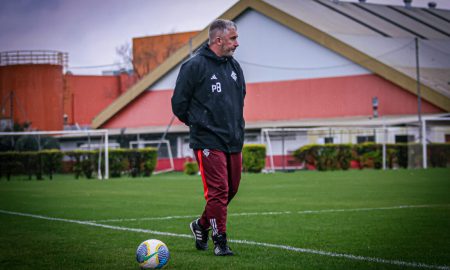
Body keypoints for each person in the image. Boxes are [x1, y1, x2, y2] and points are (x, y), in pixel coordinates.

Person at [171, 19, 246, 256]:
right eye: (233, 38)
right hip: (207, 140)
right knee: (218, 191)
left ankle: (200, 225)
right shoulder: (194, 66)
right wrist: (199, 125)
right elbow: (178, 104)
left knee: (231, 189)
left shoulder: (234, 68)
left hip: (233, 139)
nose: (237, 43)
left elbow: (240, 99)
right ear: (218, 40)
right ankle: (220, 242)